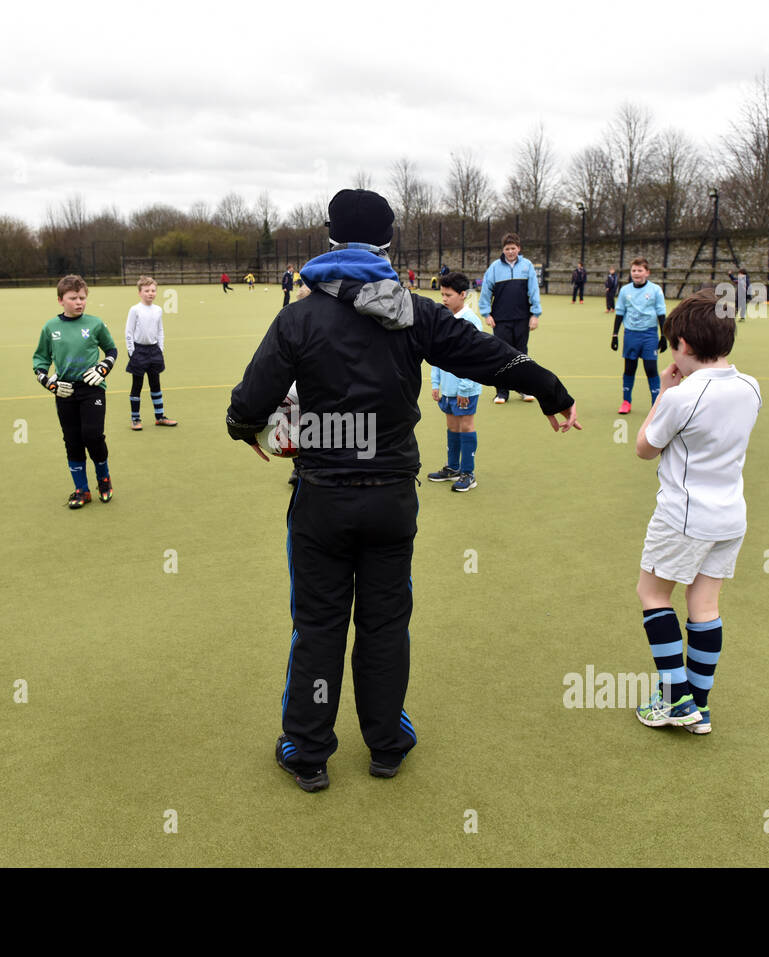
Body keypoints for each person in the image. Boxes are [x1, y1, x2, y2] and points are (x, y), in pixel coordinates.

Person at [226, 189, 579, 792]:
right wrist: (550, 388)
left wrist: (242, 427)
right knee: (386, 624)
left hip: (321, 499)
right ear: (388, 242)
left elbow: (251, 402)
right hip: (391, 497)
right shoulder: (414, 310)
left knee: (317, 626)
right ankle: (386, 743)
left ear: (330, 238)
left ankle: (307, 750)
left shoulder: (298, 315)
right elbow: (489, 356)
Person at [632, 287, 761, 734]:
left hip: (684, 517)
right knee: (704, 605)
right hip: (731, 517)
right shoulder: (751, 387)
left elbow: (644, 449)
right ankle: (698, 707)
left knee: (653, 595)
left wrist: (663, 392)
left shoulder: (680, 397)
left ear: (683, 346)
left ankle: (674, 699)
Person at [31, 274, 119, 508]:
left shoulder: (95, 323)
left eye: (82, 298)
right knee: (72, 440)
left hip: (92, 388)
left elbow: (111, 349)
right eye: (73, 298)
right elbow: (40, 360)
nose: (79, 302)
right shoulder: (51, 327)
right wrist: (49, 383)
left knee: (93, 436)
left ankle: (104, 479)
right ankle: (82, 489)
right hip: (65, 392)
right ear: (61, 300)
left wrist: (103, 368)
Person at [427, 271, 484, 492]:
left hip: (465, 389)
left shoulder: (471, 322)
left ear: (462, 295)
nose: (444, 299)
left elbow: (473, 359)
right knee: (451, 426)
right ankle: (452, 467)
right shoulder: (443, 318)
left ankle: (468, 473)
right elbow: (436, 354)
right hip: (448, 389)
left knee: (465, 426)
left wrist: (465, 388)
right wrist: (435, 383)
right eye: (442, 294)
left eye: (448, 295)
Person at [478, 232, 543, 404]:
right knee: (501, 354)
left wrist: (535, 315)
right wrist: (486, 313)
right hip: (500, 319)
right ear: (503, 250)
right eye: (507, 249)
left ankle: (524, 389)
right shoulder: (494, 268)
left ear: (519, 248)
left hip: (522, 318)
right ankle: (502, 392)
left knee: (521, 354)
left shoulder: (527, 266)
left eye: (513, 248)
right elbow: (486, 291)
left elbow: (534, 291)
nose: (510, 251)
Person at [611, 257, 668, 414]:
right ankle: (626, 402)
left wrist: (664, 335)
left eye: (640, 270)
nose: (636, 273)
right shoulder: (625, 291)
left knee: (651, 368)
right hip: (630, 335)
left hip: (649, 335)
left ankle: (656, 404)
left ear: (647, 273)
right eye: (634, 270)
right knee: (629, 368)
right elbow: (620, 313)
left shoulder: (655, 290)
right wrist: (615, 335)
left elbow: (661, 314)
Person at [125, 276, 178, 431]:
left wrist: (160, 348)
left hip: (154, 351)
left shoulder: (158, 310)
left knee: (155, 384)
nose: (150, 293)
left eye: (153, 290)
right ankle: (135, 419)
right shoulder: (135, 310)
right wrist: (131, 352)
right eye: (147, 290)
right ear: (140, 292)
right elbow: (129, 332)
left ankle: (159, 417)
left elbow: (160, 330)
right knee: (137, 385)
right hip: (139, 351)